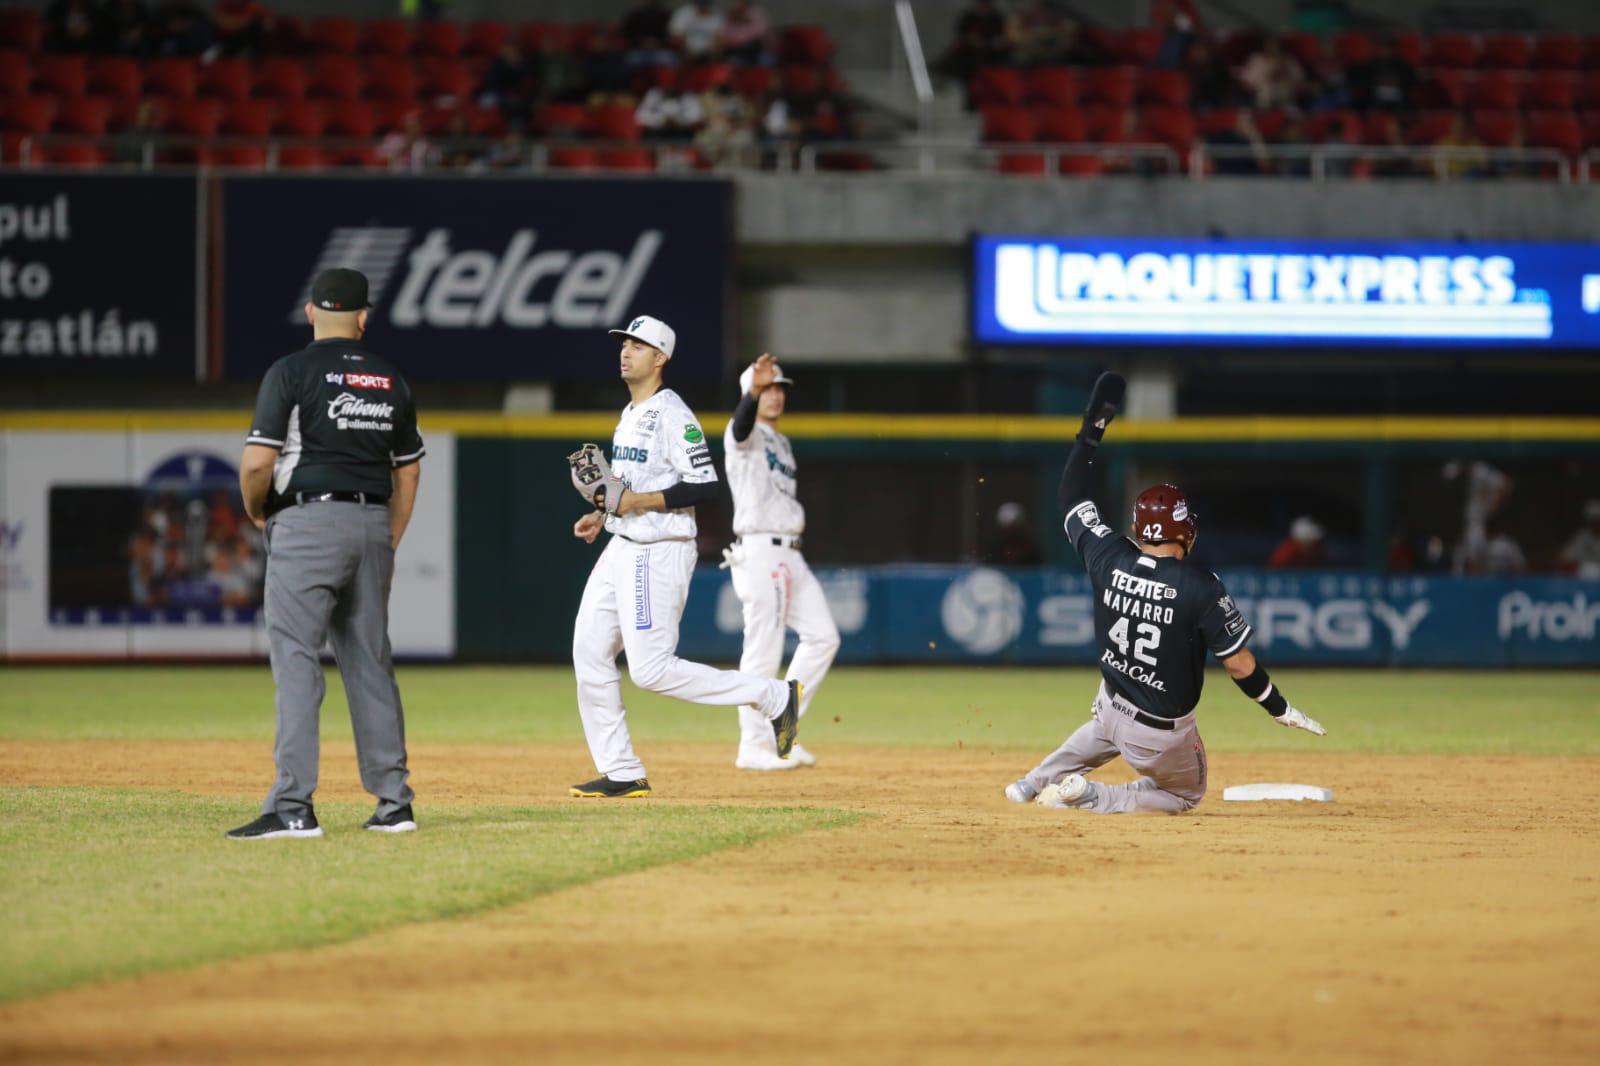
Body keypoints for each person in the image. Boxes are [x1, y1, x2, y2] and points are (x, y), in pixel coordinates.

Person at [1005, 373, 1326, 815]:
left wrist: (1091, 432)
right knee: (1183, 795)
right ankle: (1092, 797)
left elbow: (1071, 497)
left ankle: (1031, 783)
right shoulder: (1200, 585)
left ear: (1140, 528)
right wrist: (1278, 707)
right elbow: (1238, 663)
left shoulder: (1107, 554)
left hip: (1110, 705)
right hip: (1158, 733)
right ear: (1187, 530)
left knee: (1103, 729)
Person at [226, 268, 425, 840]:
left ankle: (292, 806)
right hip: (371, 524)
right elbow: (408, 470)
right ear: (364, 318)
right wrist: (388, 534)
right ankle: (394, 804)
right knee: (370, 663)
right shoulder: (390, 378)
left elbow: (258, 463)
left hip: (308, 521)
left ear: (311, 312)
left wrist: (257, 510)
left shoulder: (290, 371)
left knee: (296, 661)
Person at [566, 316, 800, 798]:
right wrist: (606, 516)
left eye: (638, 345)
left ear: (660, 357)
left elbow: (705, 485)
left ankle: (771, 694)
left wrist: (637, 504)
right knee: (589, 651)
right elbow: (628, 488)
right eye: (624, 343)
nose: (626, 351)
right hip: (623, 544)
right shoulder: (630, 412)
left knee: (650, 670)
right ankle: (622, 769)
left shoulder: (672, 413)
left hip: (658, 551)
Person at [722, 354, 838, 771]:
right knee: (763, 649)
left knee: (823, 637)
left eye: (778, 389)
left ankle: (781, 729)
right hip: (760, 549)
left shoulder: (781, 441)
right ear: (752, 392)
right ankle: (751, 745)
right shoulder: (745, 432)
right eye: (766, 388)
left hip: (791, 551)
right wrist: (751, 392)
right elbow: (739, 425)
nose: (775, 395)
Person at [1559, 499, 1600, 578]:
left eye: (1598, 519)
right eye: (1594, 519)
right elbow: (1564, 559)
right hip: (1583, 580)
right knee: (1589, 569)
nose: (1597, 523)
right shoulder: (1582, 537)